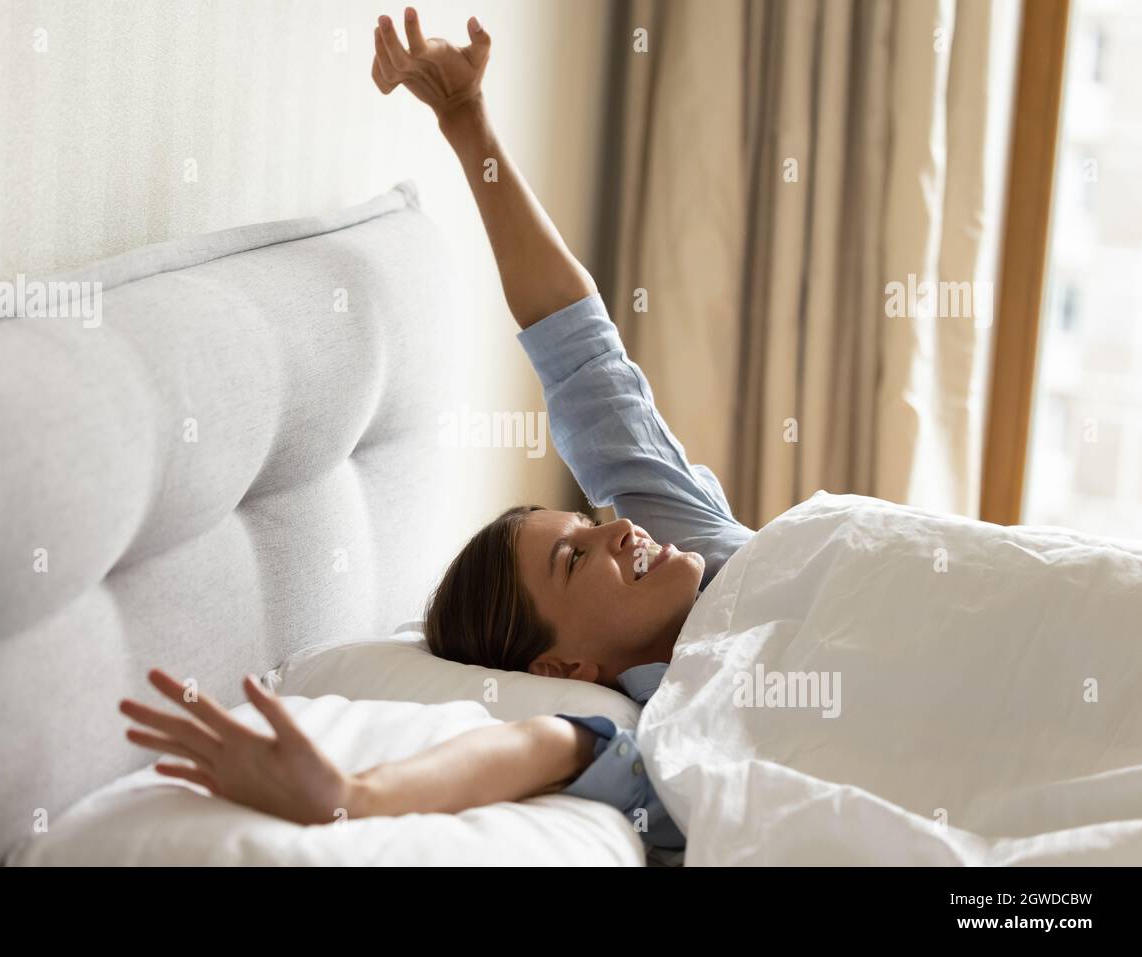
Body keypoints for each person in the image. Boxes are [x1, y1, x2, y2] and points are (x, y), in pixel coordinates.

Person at [119, 8, 753, 854]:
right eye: (575, 559)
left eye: (588, 531)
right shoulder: (667, 740)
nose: (620, 531)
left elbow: (576, 348)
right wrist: (346, 794)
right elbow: (532, 748)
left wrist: (467, 124)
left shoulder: (684, 536)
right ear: (564, 671)